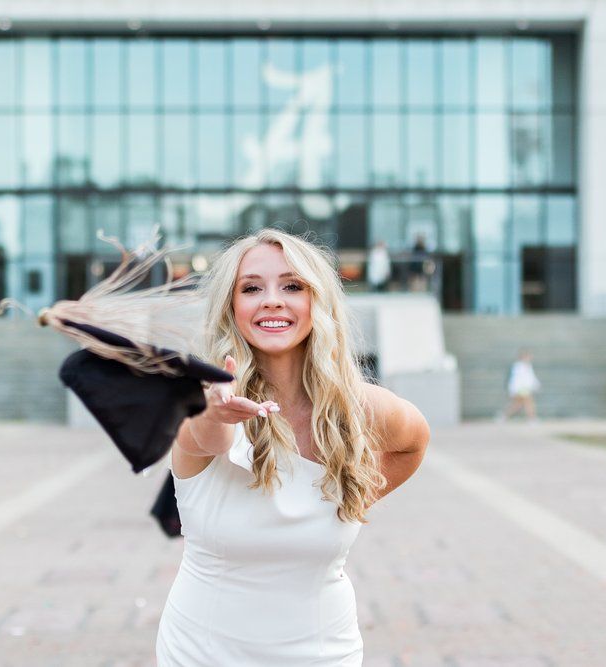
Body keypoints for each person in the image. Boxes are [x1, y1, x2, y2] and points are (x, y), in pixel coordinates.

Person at [156, 229, 430, 665]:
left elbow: (414, 442)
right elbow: (207, 436)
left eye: (292, 286)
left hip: (325, 652)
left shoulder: (356, 406)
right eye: (251, 288)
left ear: (317, 300)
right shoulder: (203, 403)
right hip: (205, 654)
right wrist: (212, 412)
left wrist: (351, 498)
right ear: (231, 306)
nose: (272, 300)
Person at [497, 349, 541, 422]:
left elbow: (531, 378)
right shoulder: (518, 367)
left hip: (525, 389)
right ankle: (532, 418)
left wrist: (536, 385)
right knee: (529, 403)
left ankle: (503, 416)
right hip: (520, 389)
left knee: (517, 405)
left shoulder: (527, 366)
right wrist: (514, 389)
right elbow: (516, 379)